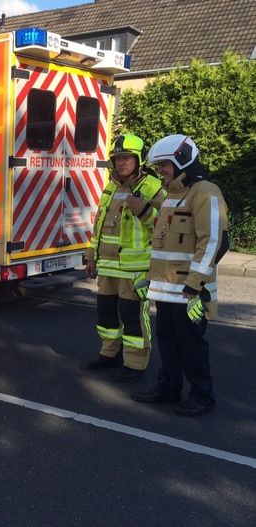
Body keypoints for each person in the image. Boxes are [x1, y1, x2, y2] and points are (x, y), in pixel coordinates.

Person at [132, 134, 229, 416]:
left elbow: (214, 242)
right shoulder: (171, 195)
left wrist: (193, 285)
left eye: (164, 165)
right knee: (169, 343)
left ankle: (202, 395)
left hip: (188, 292)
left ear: (181, 161)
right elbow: (163, 241)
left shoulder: (205, 191)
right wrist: (150, 278)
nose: (160, 170)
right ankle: (168, 388)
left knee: (192, 346)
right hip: (165, 291)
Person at [84, 134, 166, 382]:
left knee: (132, 317)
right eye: (118, 158)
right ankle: (109, 354)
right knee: (106, 314)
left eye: (127, 158)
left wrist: (143, 210)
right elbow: (98, 226)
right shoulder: (110, 187)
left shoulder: (152, 188)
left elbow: (166, 228)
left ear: (139, 160)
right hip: (107, 267)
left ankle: (135, 363)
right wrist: (91, 256)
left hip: (135, 268)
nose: (122, 163)